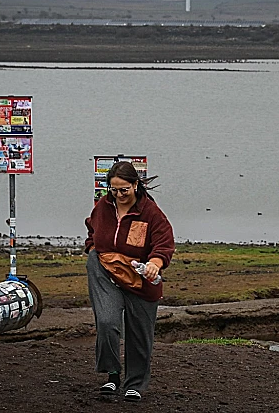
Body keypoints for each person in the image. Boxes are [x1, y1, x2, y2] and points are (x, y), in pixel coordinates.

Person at [84, 161, 175, 402]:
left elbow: (164, 242)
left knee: (139, 334)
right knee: (106, 322)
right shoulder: (103, 206)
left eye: (124, 189)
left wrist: (155, 263)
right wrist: (92, 247)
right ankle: (112, 375)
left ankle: (134, 383)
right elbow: (91, 228)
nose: (119, 195)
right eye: (114, 190)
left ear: (136, 185)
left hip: (142, 277)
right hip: (105, 272)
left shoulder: (151, 213)